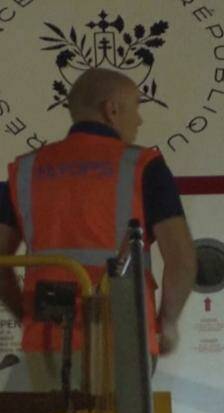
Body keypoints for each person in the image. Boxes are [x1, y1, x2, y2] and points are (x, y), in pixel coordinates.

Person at [0, 67, 196, 389]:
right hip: (124, 334)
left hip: (46, 340)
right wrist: (168, 322)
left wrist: (27, 316)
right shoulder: (143, 166)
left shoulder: (26, 169)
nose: (139, 120)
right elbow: (182, 260)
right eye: (136, 106)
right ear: (112, 109)